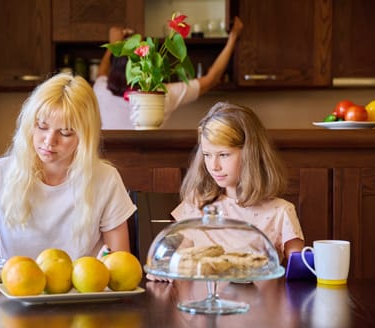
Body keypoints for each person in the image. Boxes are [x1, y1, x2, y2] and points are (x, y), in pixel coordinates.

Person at [0, 73, 136, 261]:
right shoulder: (1, 173)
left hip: (83, 300)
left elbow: (120, 264)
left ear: (85, 136)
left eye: (66, 132)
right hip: (17, 296)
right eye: (41, 127)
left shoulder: (105, 179)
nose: (49, 141)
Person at [171, 101, 304, 264]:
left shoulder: (281, 212)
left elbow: (299, 276)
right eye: (207, 155)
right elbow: (175, 262)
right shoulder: (195, 203)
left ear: (251, 154)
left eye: (224, 155)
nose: (214, 166)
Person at [93, 17, 244, 129]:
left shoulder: (101, 89)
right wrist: (233, 37)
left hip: (113, 162)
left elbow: (102, 72)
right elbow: (211, 79)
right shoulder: (162, 94)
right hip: (150, 167)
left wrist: (113, 45)